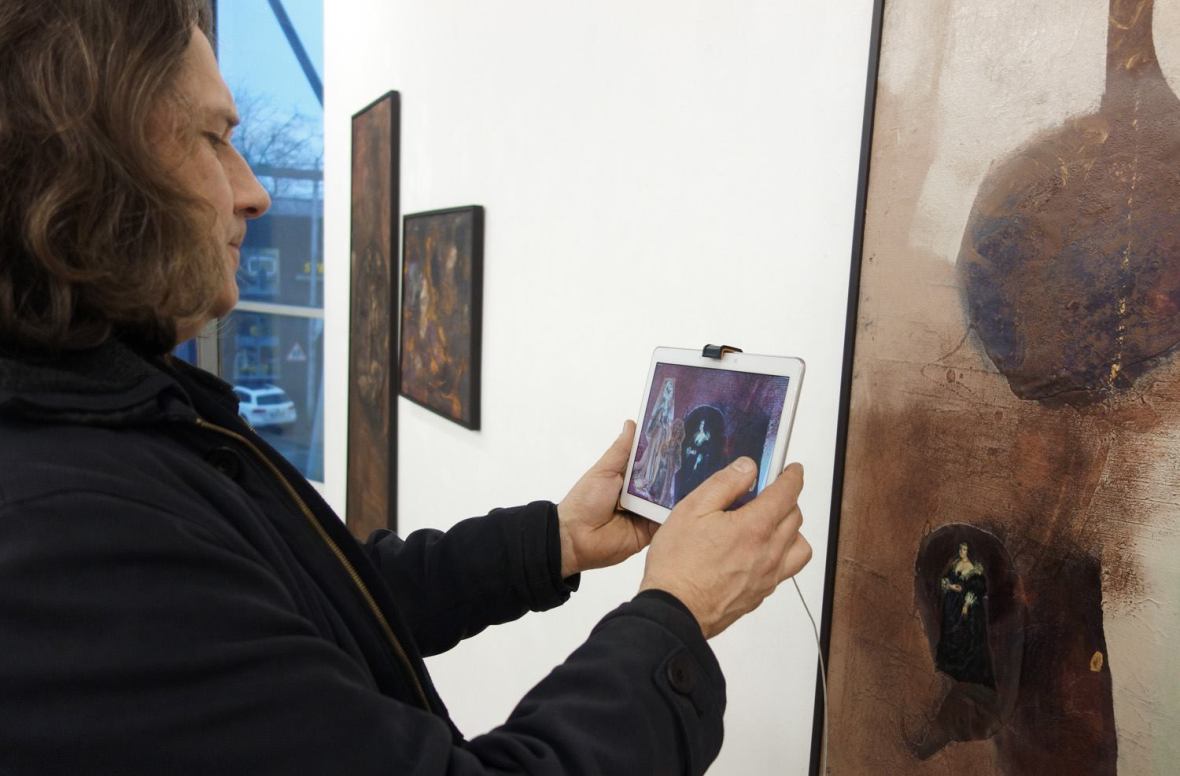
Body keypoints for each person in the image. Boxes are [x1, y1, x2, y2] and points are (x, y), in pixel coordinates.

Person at [0, 2, 812, 774]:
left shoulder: (117, 419)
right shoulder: (67, 538)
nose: (254, 191)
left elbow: (318, 595)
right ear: (83, 165)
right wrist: (676, 609)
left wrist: (554, 541)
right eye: (211, 139)